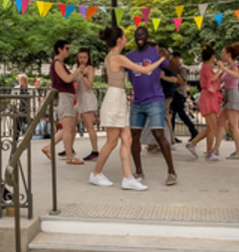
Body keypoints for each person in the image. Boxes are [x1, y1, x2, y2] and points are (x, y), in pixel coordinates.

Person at [90, 25, 166, 191]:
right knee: (111, 142)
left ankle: (128, 178)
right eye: (124, 37)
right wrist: (161, 59)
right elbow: (145, 70)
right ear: (119, 40)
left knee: (127, 139)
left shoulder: (111, 56)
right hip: (114, 99)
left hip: (118, 98)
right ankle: (96, 174)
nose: (126, 39)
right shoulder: (117, 57)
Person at [125, 26, 179, 185]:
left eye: (142, 34)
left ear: (147, 36)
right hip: (137, 101)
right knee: (134, 136)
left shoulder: (156, 54)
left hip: (155, 100)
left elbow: (175, 71)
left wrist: (167, 58)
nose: (139, 37)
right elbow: (115, 73)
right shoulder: (128, 57)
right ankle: (139, 171)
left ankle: (171, 172)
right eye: (137, 35)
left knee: (158, 134)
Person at [43, 39, 84, 164]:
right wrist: (78, 70)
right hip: (64, 96)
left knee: (70, 127)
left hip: (68, 96)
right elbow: (67, 79)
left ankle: (49, 147)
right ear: (60, 49)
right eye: (66, 48)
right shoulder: (57, 63)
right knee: (68, 128)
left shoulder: (60, 63)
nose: (68, 51)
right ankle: (69, 156)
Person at [186, 44, 225, 160]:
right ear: (212, 56)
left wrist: (220, 71)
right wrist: (221, 68)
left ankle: (193, 143)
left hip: (209, 98)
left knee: (211, 127)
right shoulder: (206, 68)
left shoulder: (206, 68)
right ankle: (209, 152)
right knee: (213, 127)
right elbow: (211, 79)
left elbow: (214, 79)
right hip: (208, 98)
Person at [215, 43, 239, 160]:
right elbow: (218, 79)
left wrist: (223, 68)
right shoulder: (226, 68)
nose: (221, 55)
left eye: (223, 53)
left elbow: (236, 75)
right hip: (227, 95)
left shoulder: (235, 65)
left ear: (228, 54)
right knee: (220, 123)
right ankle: (215, 149)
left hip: (233, 95)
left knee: (233, 125)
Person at [163, 50, 198, 144]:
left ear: (176, 58)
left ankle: (193, 131)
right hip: (176, 93)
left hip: (179, 93)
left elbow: (181, 81)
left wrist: (174, 73)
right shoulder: (177, 67)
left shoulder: (181, 68)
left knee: (181, 113)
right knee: (174, 114)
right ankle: (173, 135)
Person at [73, 48, 100, 162]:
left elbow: (89, 85)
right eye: (80, 57)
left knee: (89, 127)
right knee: (72, 124)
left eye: (84, 57)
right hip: (79, 97)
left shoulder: (90, 69)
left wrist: (83, 74)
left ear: (88, 58)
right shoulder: (76, 67)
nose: (82, 60)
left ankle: (95, 150)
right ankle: (68, 148)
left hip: (87, 97)